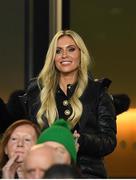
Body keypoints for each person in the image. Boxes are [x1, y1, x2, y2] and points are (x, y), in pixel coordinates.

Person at [21, 29, 117, 178]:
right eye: (58, 51)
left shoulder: (97, 91)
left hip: (87, 173)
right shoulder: (37, 91)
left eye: (71, 49)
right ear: (53, 57)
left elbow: (109, 141)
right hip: (44, 173)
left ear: (81, 54)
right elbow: (29, 134)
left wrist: (79, 140)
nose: (64, 55)